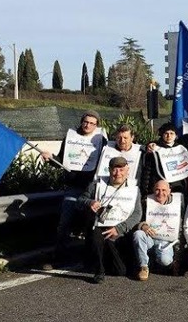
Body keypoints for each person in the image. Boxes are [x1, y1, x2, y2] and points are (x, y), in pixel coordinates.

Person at [41, 110, 106, 268]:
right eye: (86, 122)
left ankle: (89, 258)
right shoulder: (70, 137)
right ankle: (59, 256)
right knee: (65, 222)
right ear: (81, 121)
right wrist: (50, 158)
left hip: (92, 188)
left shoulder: (101, 139)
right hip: (73, 187)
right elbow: (62, 160)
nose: (88, 125)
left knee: (90, 224)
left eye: (92, 123)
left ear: (96, 125)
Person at [78, 157, 142, 284]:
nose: (118, 173)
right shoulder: (97, 185)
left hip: (120, 230)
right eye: (115, 169)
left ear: (127, 171)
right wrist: (90, 202)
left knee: (121, 271)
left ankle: (103, 256)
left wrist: (119, 228)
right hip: (99, 225)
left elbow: (137, 214)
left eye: (121, 169)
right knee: (96, 236)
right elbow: (80, 200)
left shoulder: (134, 189)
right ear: (109, 170)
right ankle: (99, 271)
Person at [132, 180, 183, 281]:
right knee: (138, 234)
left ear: (169, 191)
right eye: (157, 190)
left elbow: (180, 229)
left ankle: (156, 261)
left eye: (164, 190)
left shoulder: (177, 204)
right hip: (149, 237)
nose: (160, 193)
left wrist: (178, 256)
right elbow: (137, 219)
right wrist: (143, 226)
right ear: (153, 190)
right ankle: (144, 267)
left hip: (166, 241)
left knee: (165, 261)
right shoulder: (146, 201)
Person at [140, 122, 186, 194]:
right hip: (158, 186)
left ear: (176, 135)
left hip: (176, 186)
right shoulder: (155, 149)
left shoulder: (180, 149)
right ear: (162, 135)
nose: (169, 136)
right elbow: (148, 170)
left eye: (171, 133)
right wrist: (145, 190)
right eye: (166, 133)